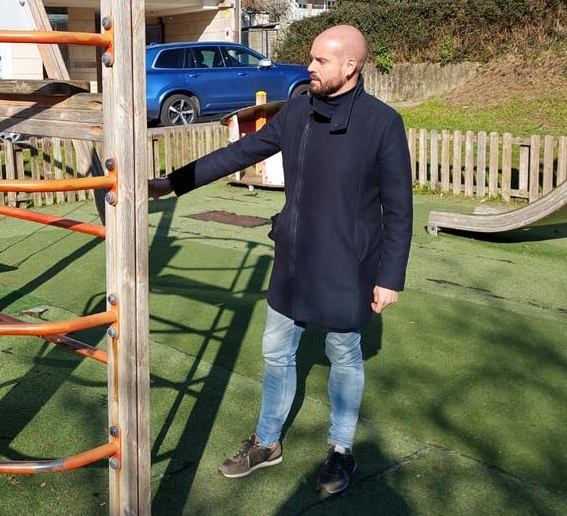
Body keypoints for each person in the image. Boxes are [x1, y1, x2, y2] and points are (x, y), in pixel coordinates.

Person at [148, 25, 413, 494]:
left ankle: (341, 450)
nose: (309, 67)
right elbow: (242, 152)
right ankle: (267, 442)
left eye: (320, 61)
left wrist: (389, 276)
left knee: (343, 354)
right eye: (311, 58)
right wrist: (174, 181)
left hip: (349, 264)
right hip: (293, 258)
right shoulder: (297, 110)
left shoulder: (382, 123)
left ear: (349, 66)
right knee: (276, 352)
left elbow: (399, 207)